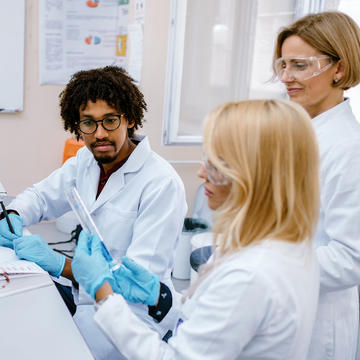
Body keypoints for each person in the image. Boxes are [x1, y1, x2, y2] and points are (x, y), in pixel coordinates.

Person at [71, 99, 321, 359]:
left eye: (216, 164)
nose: (201, 172)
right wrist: (160, 299)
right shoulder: (282, 245)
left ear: (257, 174)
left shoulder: (250, 275)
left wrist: (103, 294)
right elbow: (210, 321)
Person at [0, 66, 187, 359]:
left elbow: (133, 280)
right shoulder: (85, 161)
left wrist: (59, 264)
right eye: (88, 123)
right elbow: (40, 197)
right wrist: (14, 214)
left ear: (131, 119)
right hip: (85, 305)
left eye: (110, 120)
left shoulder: (161, 184)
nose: (99, 134)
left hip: (129, 325)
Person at [273, 11, 360, 359]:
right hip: (283, 309)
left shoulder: (348, 149)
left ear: (338, 69)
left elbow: (350, 257)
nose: (286, 78)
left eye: (300, 66)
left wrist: (269, 266)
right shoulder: (297, 132)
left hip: (319, 324)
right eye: (283, 65)